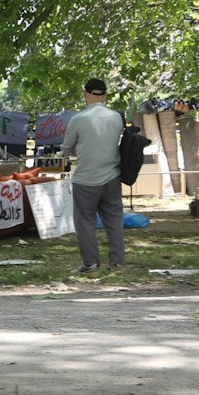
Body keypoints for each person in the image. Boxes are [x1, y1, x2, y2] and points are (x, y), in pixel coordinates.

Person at [62, 77, 126, 273]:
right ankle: (117, 262)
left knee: (85, 221)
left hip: (86, 178)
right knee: (114, 221)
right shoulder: (117, 117)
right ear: (105, 95)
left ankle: (90, 262)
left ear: (85, 94)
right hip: (112, 176)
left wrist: (77, 151)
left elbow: (66, 148)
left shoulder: (78, 119)